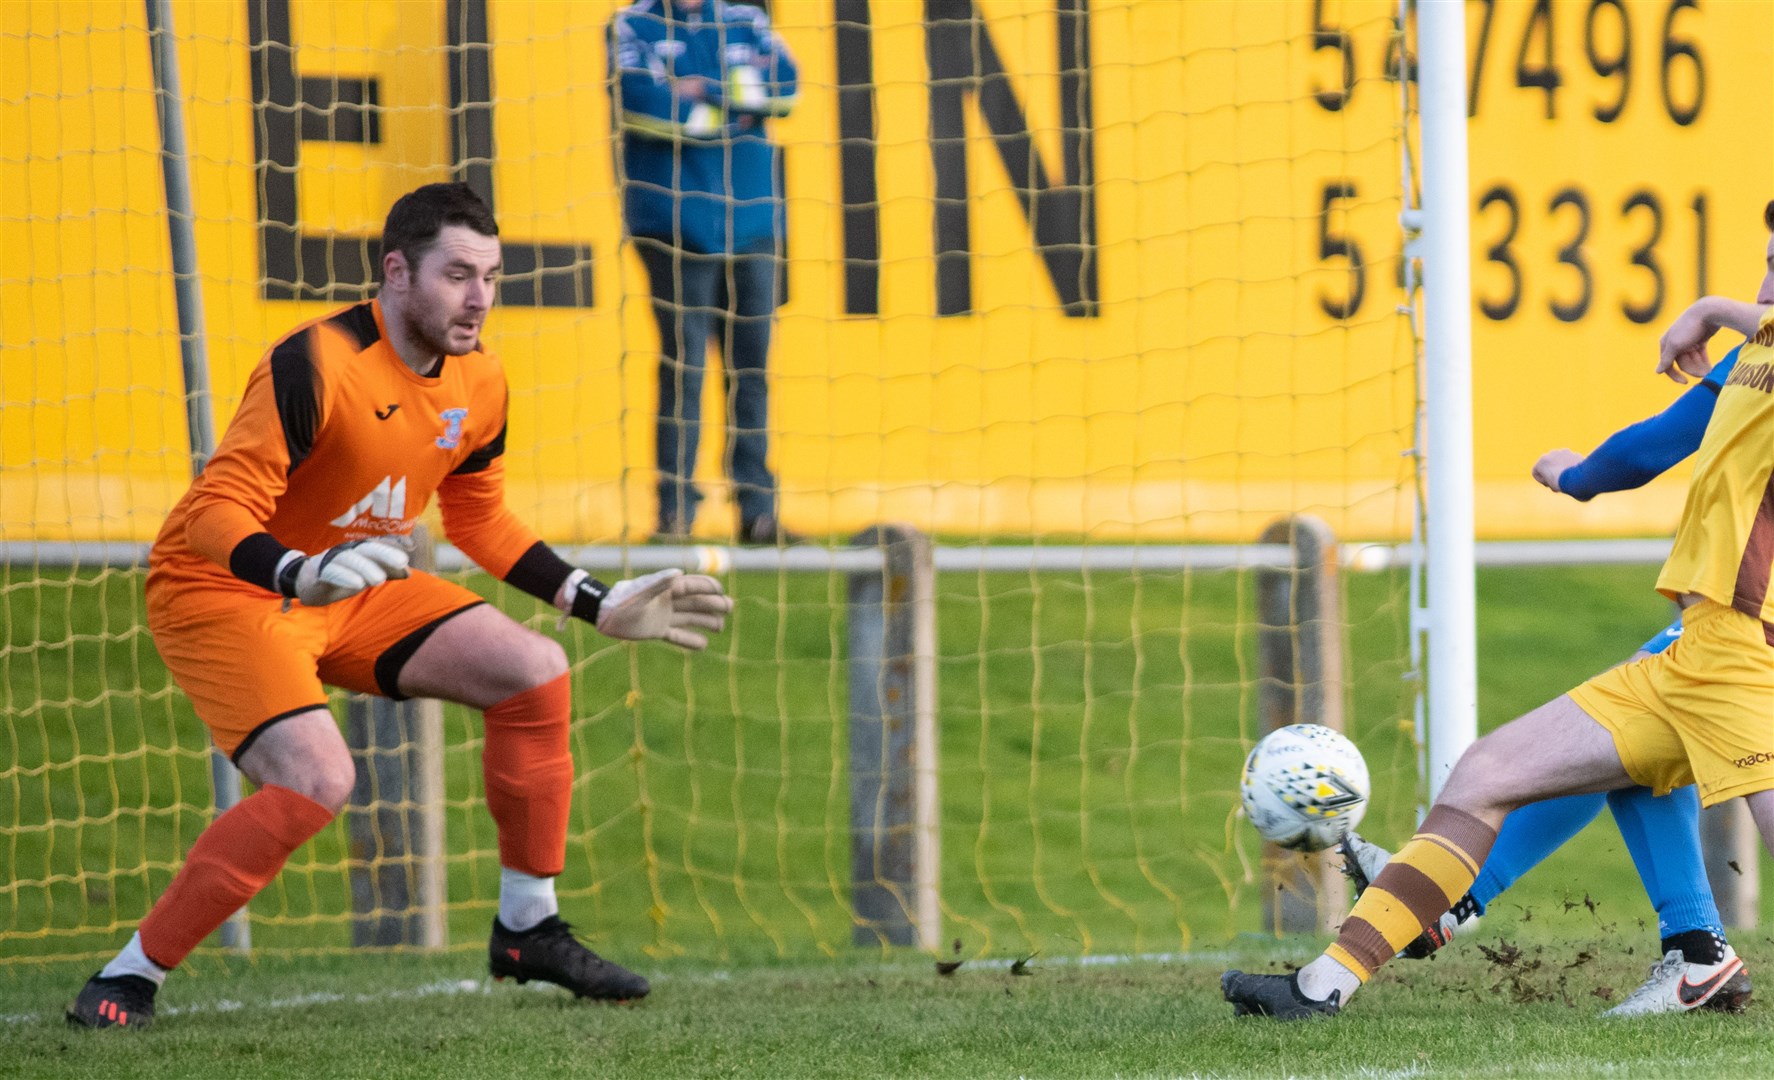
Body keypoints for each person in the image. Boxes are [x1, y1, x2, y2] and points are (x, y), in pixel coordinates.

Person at [66, 183, 735, 1030]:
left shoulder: (481, 379)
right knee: (319, 779)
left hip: (349, 593)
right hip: (225, 591)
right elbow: (211, 516)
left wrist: (595, 604)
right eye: (459, 274)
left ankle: (527, 927)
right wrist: (297, 573)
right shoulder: (314, 363)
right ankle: (128, 978)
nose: (480, 298)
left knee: (536, 670)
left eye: (491, 276)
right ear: (396, 271)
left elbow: (479, 518)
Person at [1224, 199, 1774, 1019]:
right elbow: (1661, 439)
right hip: (1698, 648)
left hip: (1744, 647)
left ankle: (1496, 909)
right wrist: (1578, 476)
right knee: (1488, 773)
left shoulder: (1754, 335)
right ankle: (1324, 985)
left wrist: (1713, 308)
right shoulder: (1754, 358)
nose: (1762, 280)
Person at [1335, 339, 1754, 1017]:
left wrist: (1574, 476)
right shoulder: (1758, 337)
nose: (1762, 283)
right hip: (1734, 619)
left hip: (1751, 622)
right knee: (1628, 730)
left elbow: (1650, 449)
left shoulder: (1758, 350)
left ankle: (1462, 900)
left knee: (1627, 723)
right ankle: (1693, 950)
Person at [608, 0, 800, 545]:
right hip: (675, 221)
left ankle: (758, 513)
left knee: (753, 370)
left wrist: (701, 91)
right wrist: (737, 102)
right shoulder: (633, 25)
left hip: (754, 219)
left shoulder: (746, 20)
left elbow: (788, 89)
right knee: (683, 368)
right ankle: (674, 516)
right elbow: (645, 108)